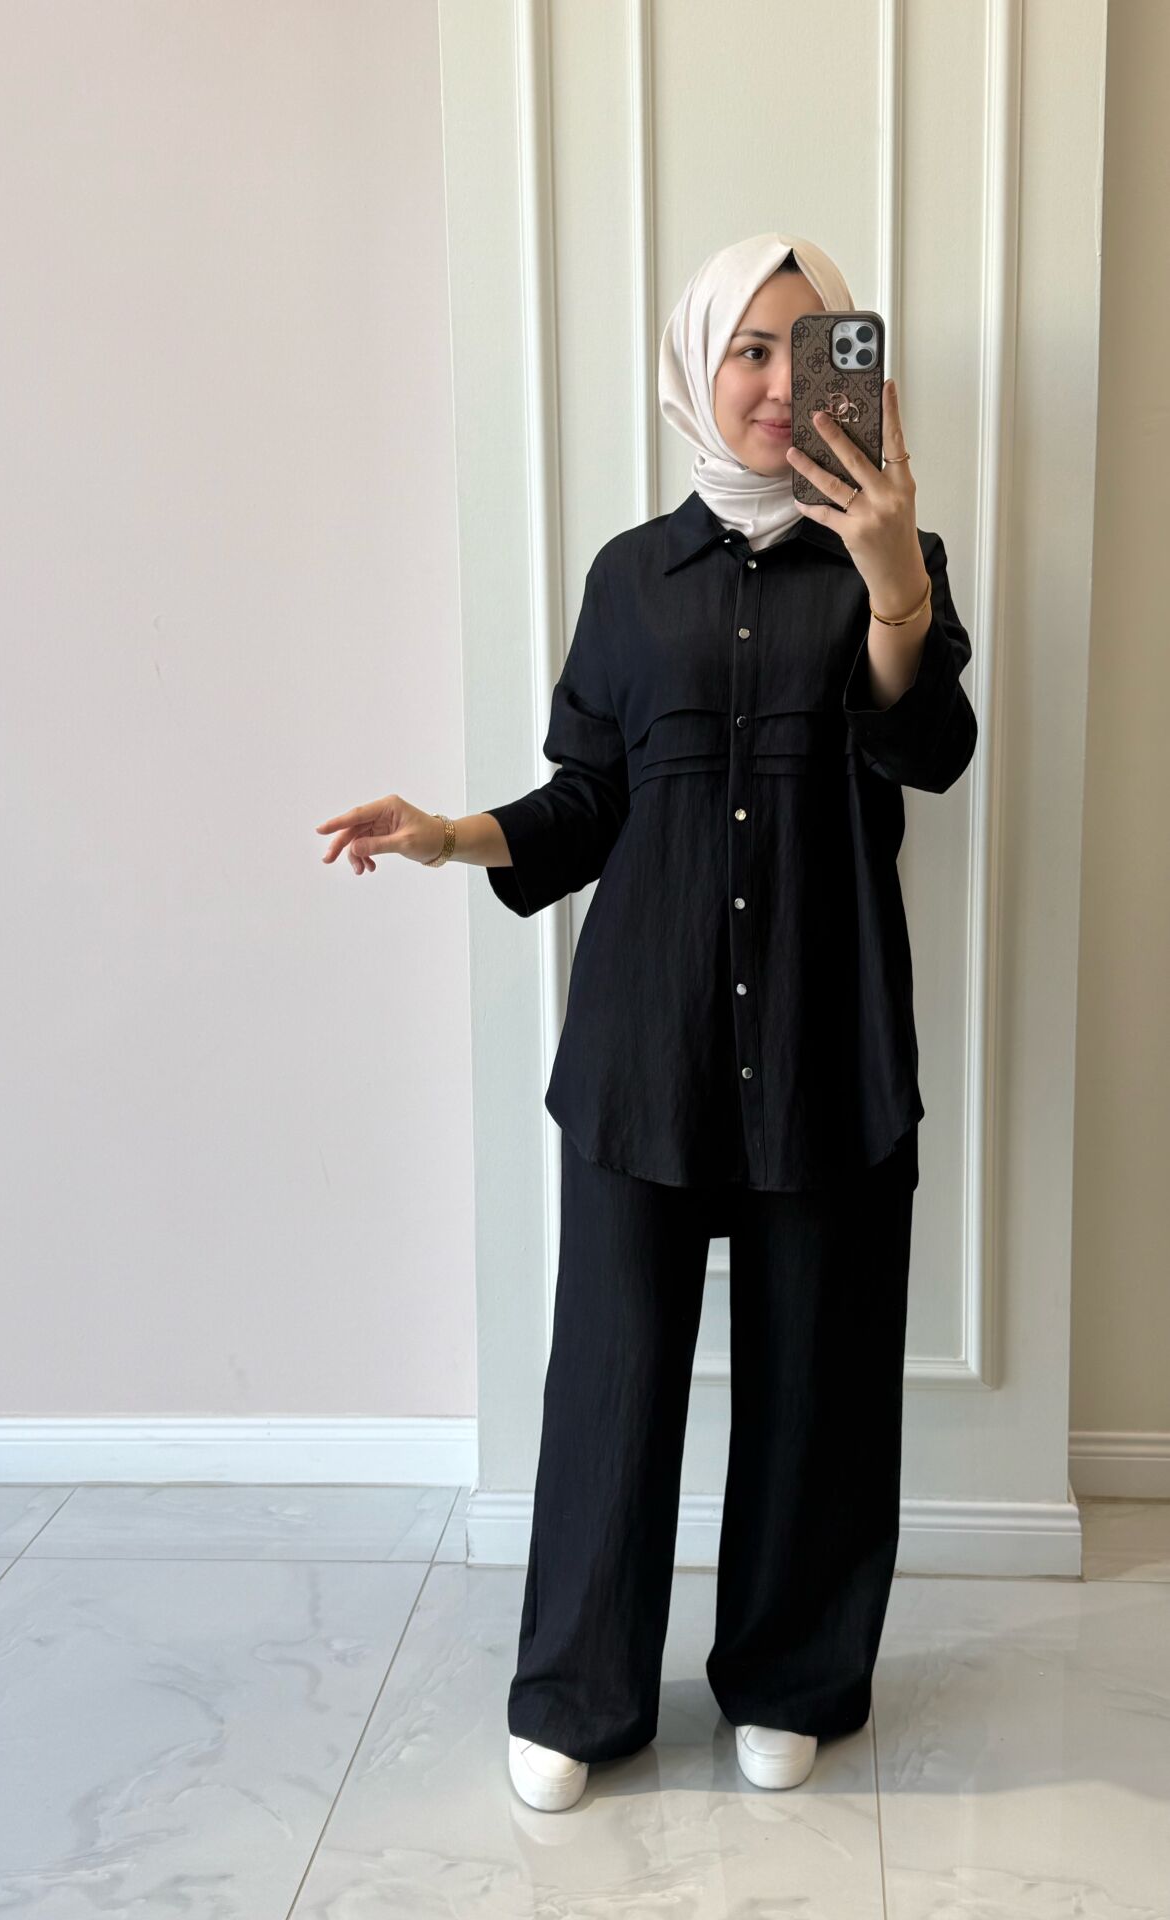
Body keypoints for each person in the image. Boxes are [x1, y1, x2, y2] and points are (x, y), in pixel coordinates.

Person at [315, 232, 978, 1813]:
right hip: (643, 1051)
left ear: (857, 375)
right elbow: (593, 801)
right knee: (610, 1384)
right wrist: (453, 833)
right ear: (698, 365)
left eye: (811, 348)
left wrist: (895, 581)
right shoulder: (629, 576)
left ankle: (794, 1676)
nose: (778, 381)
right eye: (750, 347)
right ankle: (579, 1692)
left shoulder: (898, 558)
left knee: (819, 1386)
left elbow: (933, 753)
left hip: (826, 1041)